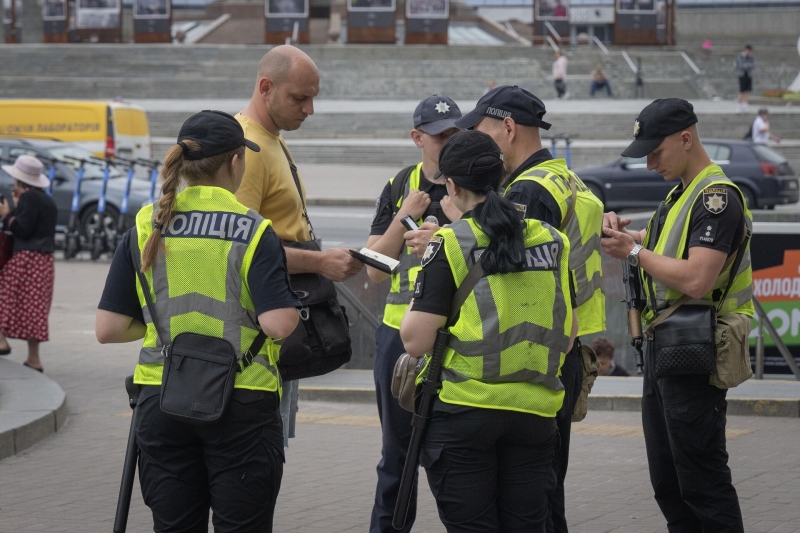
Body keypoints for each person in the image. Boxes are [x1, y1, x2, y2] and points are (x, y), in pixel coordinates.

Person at [96, 110, 299, 531]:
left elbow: (109, 328)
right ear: (235, 162)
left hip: (162, 397)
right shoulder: (253, 230)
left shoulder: (145, 224)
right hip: (241, 400)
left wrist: (160, 328)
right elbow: (278, 325)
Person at [400, 129, 578, 532]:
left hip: (465, 412)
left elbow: (415, 340)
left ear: (452, 185)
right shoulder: (553, 240)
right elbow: (567, 337)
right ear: (501, 177)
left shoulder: (448, 242)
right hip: (535, 415)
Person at [456, 85, 606, 533]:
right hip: (569, 345)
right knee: (545, 487)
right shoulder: (567, 177)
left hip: (543, 355)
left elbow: (517, 279)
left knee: (534, 499)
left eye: (480, 131)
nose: (477, 142)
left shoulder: (528, 191)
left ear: (507, 127)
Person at [601, 98, 751, 533]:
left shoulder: (716, 198)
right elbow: (660, 243)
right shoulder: (680, 194)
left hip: (697, 351)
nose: (649, 164)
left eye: (655, 152)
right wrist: (625, 237)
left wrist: (633, 251)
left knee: (702, 482)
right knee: (668, 482)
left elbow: (698, 278)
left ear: (686, 138)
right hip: (666, 348)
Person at [235, 45, 363, 446]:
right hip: (260, 334)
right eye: (299, 98)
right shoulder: (248, 149)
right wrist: (320, 262)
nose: (309, 109)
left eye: (314, 97)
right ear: (265, 87)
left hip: (276, 326)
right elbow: (240, 250)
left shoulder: (271, 138)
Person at [364, 94, 461, 533]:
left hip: (456, 335)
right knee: (397, 456)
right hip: (397, 337)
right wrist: (404, 216)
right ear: (417, 138)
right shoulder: (400, 184)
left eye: (456, 133)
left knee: (451, 455)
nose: (449, 141)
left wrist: (444, 238)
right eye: (440, 136)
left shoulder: (471, 182)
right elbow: (374, 271)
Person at [0, 155, 58, 372]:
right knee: (35, 308)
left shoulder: (28, 198)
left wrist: (6, 215)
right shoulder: (46, 199)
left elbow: (23, 229)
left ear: (19, 181)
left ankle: (2, 341)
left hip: (26, 258)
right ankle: (34, 359)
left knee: (4, 293)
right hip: (44, 260)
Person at [735, 45, 755, 114]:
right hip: (742, 75)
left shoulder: (751, 57)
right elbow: (740, 65)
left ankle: (745, 106)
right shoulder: (740, 56)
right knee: (741, 91)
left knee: (747, 91)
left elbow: (753, 65)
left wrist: (746, 65)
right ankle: (739, 106)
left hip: (748, 75)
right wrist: (747, 66)